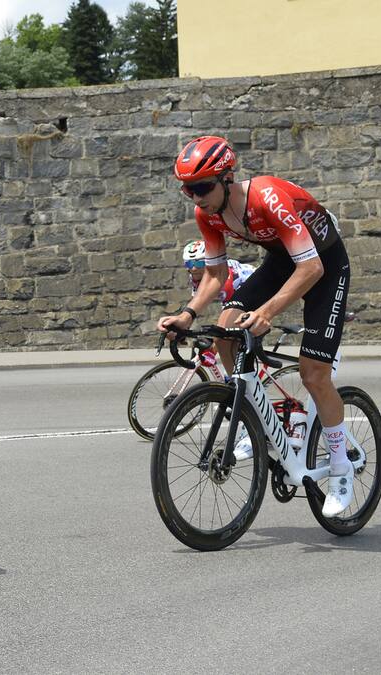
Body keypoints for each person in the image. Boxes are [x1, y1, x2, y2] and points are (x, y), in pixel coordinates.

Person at [156, 136, 355, 517]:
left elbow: (311, 268)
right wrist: (187, 315)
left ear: (227, 178)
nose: (196, 198)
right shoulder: (207, 215)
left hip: (325, 265)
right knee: (223, 333)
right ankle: (257, 417)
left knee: (315, 375)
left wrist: (268, 311)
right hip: (282, 260)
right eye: (188, 190)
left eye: (202, 188)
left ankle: (341, 466)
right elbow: (215, 276)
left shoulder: (267, 197)